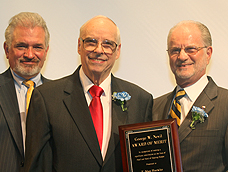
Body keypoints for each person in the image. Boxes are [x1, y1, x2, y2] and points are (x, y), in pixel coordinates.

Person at [24, 15, 153, 172]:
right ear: (79, 46)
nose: (99, 50)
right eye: (91, 42)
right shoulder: (46, 98)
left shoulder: (140, 101)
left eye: (108, 44)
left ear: (117, 51)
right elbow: (37, 166)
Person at [153, 20, 228, 171]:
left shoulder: (225, 103)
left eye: (191, 49)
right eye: (175, 50)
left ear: (208, 54)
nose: (182, 56)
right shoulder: (154, 106)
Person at [0, 12, 50, 172]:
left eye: (37, 47)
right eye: (22, 46)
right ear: (6, 49)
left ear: (46, 50)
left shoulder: (61, 96)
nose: (29, 54)